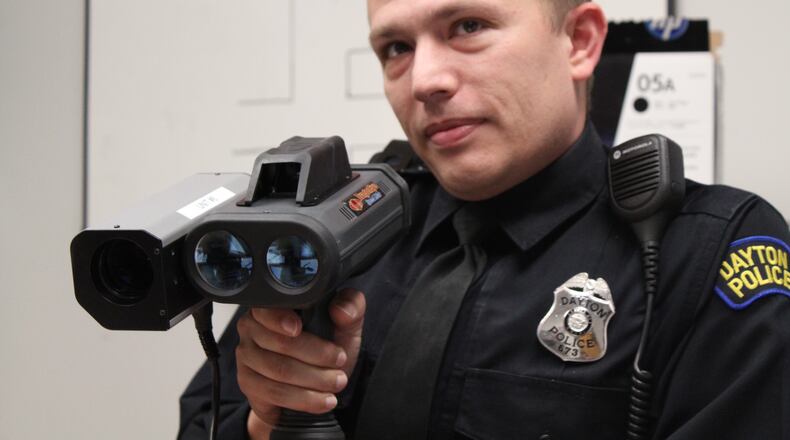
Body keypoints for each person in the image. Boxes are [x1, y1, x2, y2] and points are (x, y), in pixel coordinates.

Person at [179, 0, 790, 438]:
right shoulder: (336, 231)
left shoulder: (704, 253)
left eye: (469, 26)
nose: (425, 80)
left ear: (578, 41)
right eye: (396, 48)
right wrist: (269, 420)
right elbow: (205, 421)